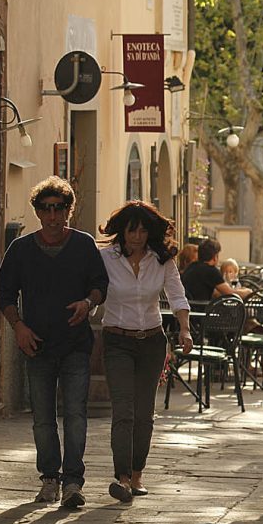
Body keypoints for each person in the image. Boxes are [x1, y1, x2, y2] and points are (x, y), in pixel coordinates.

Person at [0, 176, 109, 509]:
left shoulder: (84, 245)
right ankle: (49, 478)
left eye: (59, 209)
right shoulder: (21, 250)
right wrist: (18, 327)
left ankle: (73, 482)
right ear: (37, 212)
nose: (53, 216)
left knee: (75, 414)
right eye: (46, 209)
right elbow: (5, 294)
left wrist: (89, 303)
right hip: (37, 345)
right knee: (42, 417)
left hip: (75, 343)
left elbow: (100, 284)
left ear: (69, 211)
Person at [97, 201, 193, 503]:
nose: (137, 236)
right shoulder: (105, 258)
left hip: (152, 342)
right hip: (116, 340)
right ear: (121, 231)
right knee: (123, 410)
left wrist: (184, 328)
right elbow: (93, 291)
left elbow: (177, 294)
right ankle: (122, 478)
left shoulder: (161, 260)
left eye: (142, 230)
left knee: (144, 415)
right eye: (131, 230)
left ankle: (138, 474)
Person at [180, 239, 254, 303]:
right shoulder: (211, 271)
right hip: (202, 312)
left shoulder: (192, 267)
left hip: (189, 310)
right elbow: (230, 293)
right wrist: (248, 292)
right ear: (215, 257)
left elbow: (215, 293)